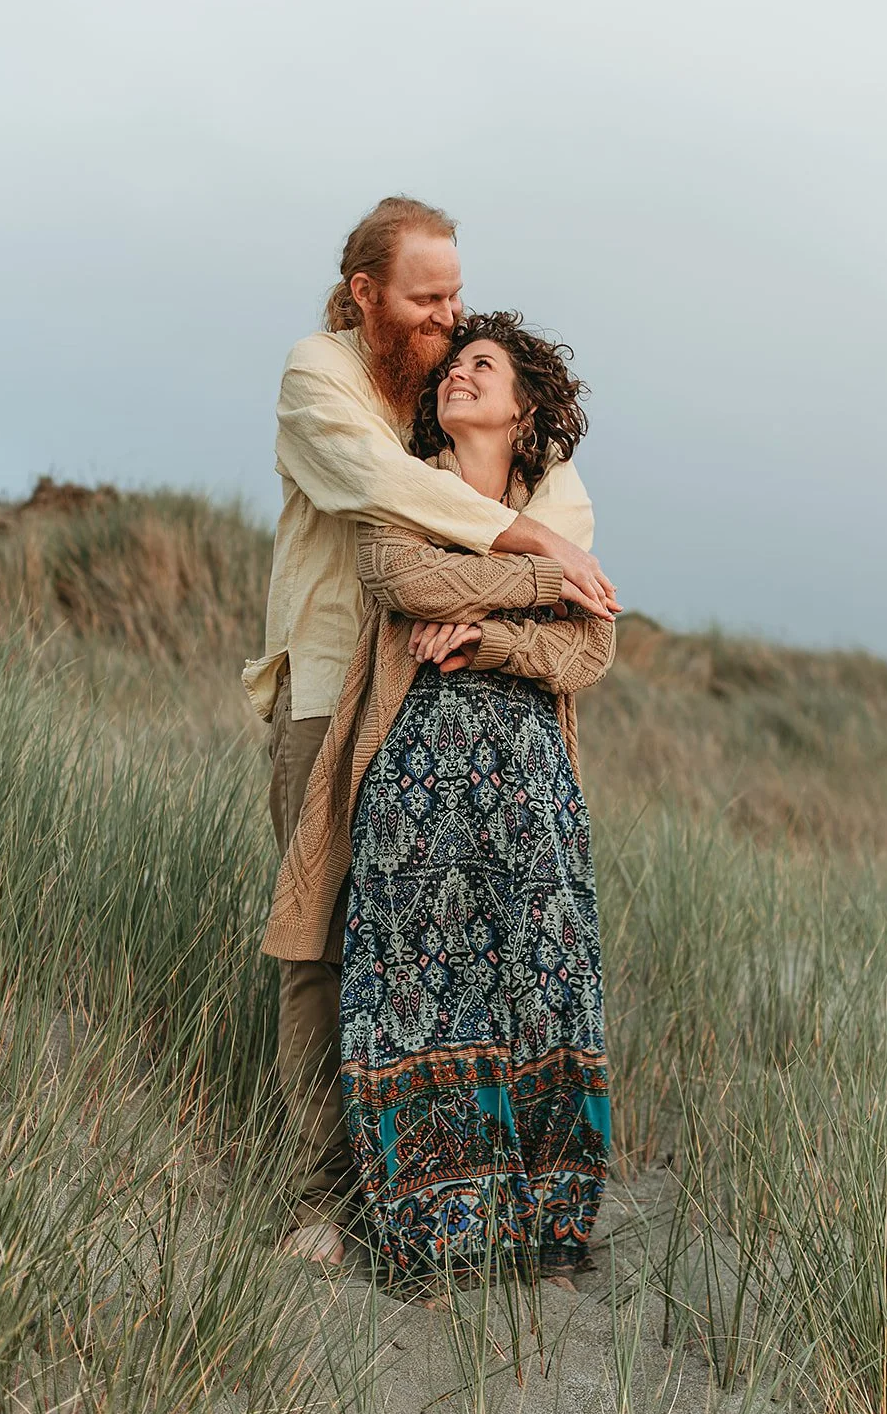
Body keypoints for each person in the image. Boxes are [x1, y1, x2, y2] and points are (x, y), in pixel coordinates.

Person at [244, 197, 618, 1265]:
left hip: (493, 737)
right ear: (366, 293)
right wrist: (532, 555)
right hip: (332, 687)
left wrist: (500, 609)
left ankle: (486, 1198)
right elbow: (389, 513)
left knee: (486, 955)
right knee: (323, 940)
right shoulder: (327, 379)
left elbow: (582, 601)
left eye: (457, 298)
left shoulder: (494, 426)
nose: (449, 323)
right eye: (427, 299)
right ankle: (324, 1198)